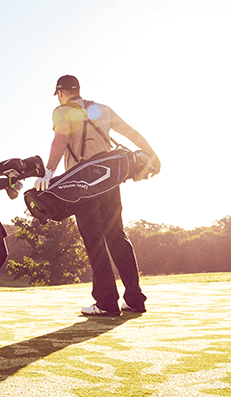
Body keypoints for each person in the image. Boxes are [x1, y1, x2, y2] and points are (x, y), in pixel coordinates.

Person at [34, 75, 161, 317]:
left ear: (60, 92)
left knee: (95, 242)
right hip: (110, 182)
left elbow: (59, 139)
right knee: (117, 237)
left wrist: (48, 172)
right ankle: (135, 299)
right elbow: (131, 133)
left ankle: (106, 303)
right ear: (79, 90)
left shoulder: (62, 111)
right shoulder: (101, 109)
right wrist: (151, 154)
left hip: (83, 186)